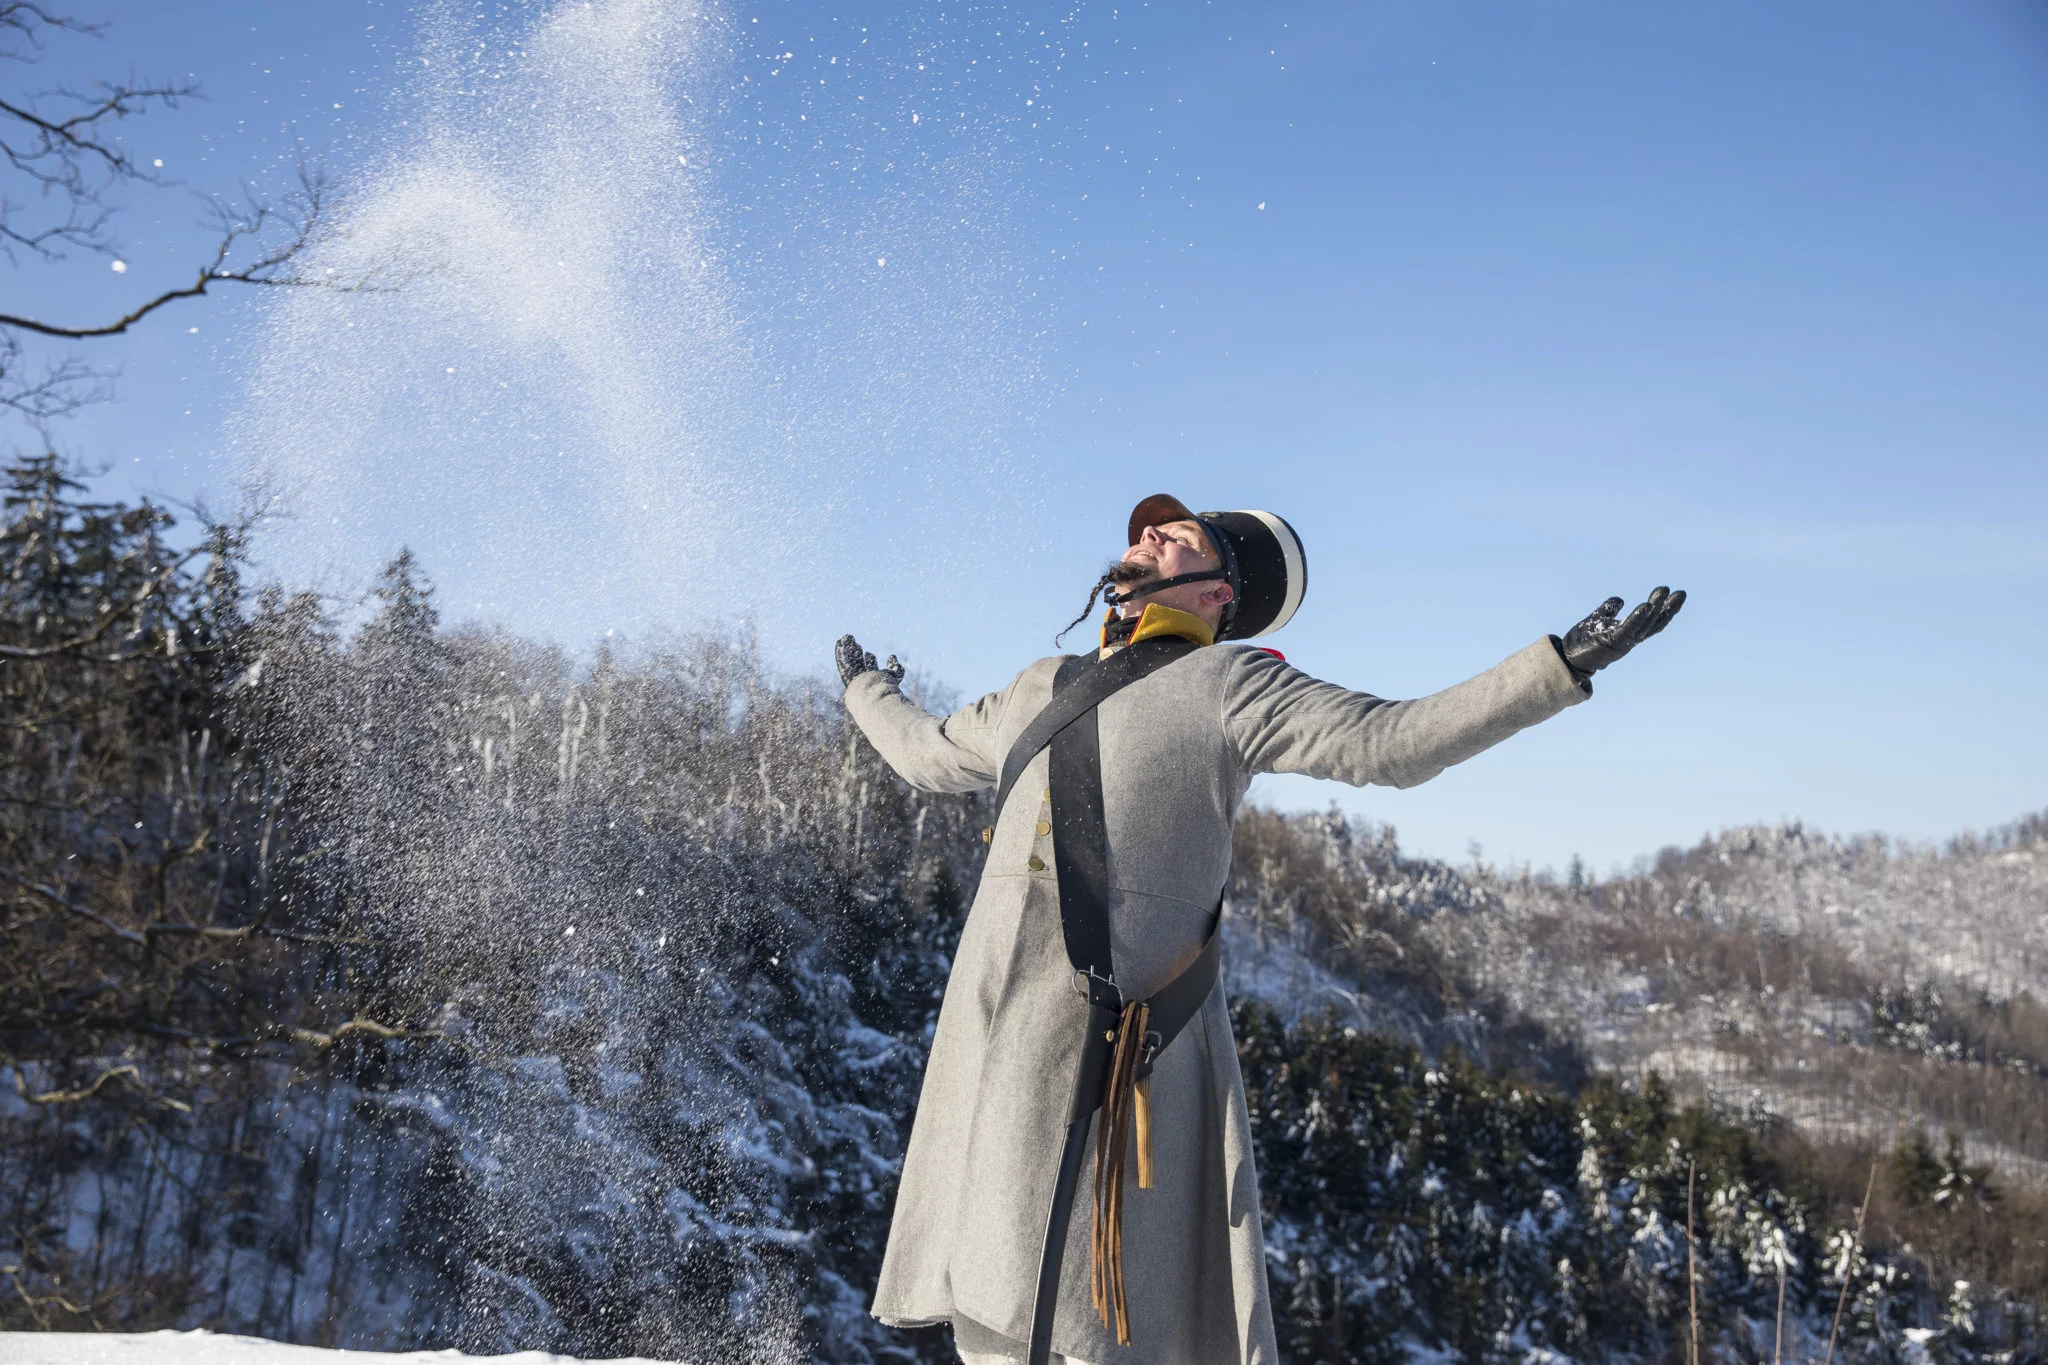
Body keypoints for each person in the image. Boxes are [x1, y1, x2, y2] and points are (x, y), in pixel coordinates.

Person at [834, 493, 1684, 1365]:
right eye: (1148, 530)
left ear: (1218, 595)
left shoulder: (1233, 684)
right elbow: (927, 752)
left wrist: (1553, 669)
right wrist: (866, 687)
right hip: (990, 1054)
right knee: (988, 1324)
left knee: (1099, 1333)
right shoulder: (1035, 687)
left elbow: (1392, 741)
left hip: (1123, 1076)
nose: (1150, 533)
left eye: (1181, 536)